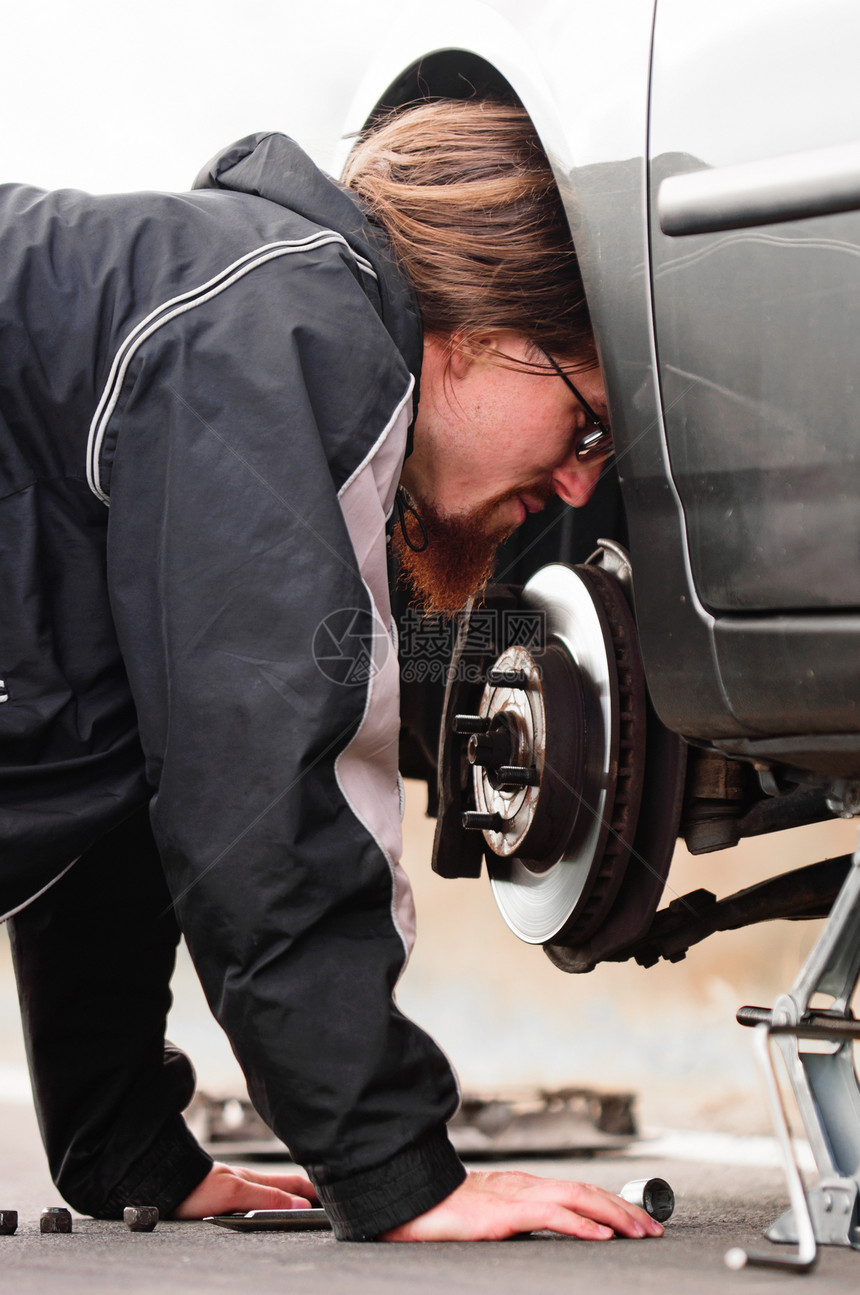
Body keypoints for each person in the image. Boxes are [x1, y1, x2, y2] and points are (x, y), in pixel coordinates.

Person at [0, 100, 660, 1244]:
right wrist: (397, 1167)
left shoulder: (251, 305)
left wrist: (129, 1147)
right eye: (584, 422)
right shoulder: (287, 335)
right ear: (478, 331)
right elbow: (254, 779)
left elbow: (123, 761)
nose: (572, 485)